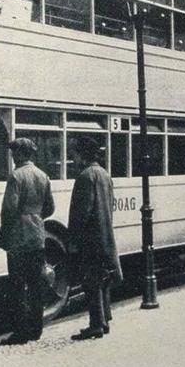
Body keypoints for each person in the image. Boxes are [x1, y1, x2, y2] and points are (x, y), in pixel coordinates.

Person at [0, 138, 55, 344]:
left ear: (22, 154)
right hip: (37, 235)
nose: (13, 156)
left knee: (17, 285)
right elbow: (50, 208)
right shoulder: (42, 175)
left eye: (15, 153)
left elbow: (9, 209)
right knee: (35, 283)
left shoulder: (16, 176)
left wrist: (4, 234)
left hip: (19, 236)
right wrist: (36, 217)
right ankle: (36, 329)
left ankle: (21, 332)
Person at [67, 136, 123, 340]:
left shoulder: (85, 176)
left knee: (91, 281)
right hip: (104, 233)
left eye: (73, 153)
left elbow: (81, 212)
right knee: (102, 279)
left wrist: (74, 239)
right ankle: (105, 319)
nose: (71, 158)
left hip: (89, 237)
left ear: (82, 154)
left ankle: (96, 324)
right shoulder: (104, 174)